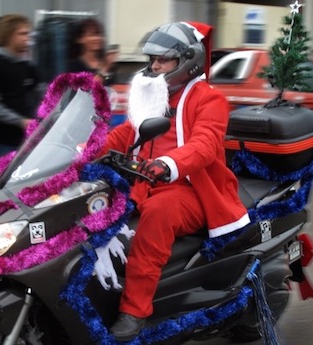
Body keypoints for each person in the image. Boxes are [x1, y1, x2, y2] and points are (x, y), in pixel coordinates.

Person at [104, 22, 251, 341]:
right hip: (145, 182)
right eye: (152, 59)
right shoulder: (155, 93)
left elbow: (206, 144)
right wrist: (79, 151)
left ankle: (134, 311)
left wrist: (168, 163)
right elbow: (125, 134)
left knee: (156, 218)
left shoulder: (209, 99)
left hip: (192, 190)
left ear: (188, 59)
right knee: (95, 207)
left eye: (162, 60)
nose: (154, 66)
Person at [0, 14, 40, 169]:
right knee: (0, 191)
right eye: (22, 34)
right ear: (8, 35)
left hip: (26, 142)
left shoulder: (27, 65)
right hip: (1, 143)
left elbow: (40, 91)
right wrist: (20, 121)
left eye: (28, 34)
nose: (27, 38)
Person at [68, 18, 118, 85]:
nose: (97, 38)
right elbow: (89, 89)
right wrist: (104, 70)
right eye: (91, 35)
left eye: (99, 34)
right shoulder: (74, 66)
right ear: (80, 39)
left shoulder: (109, 64)